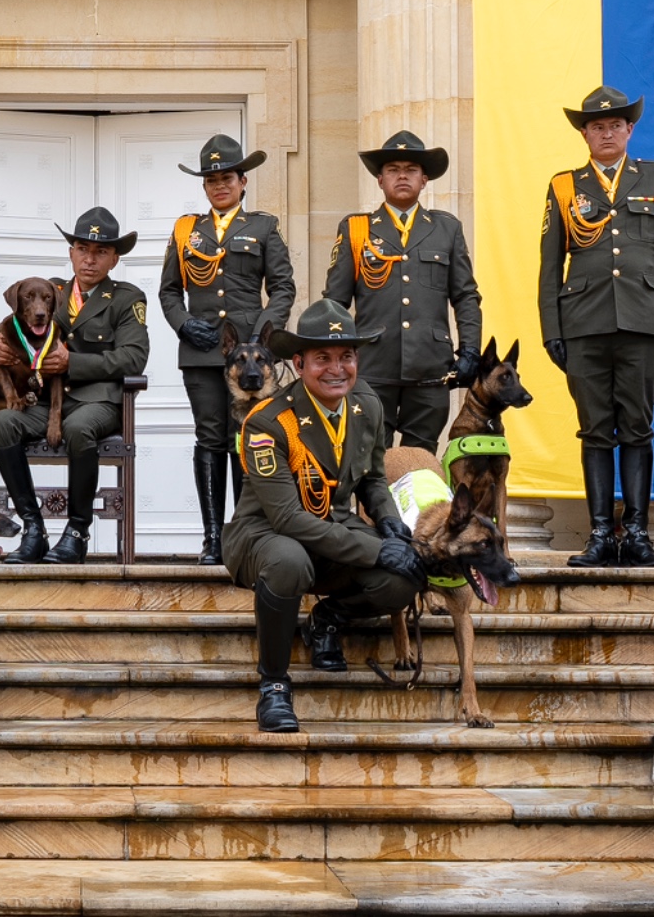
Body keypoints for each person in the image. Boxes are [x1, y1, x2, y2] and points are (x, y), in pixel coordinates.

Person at [222, 299, 424, 733]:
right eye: (323, 359)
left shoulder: (366, 405)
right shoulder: (267, 423)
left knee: (405, 577)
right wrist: (376, 547)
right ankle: (273, 686)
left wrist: (389, 523)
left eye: (346, 357)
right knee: (289, 559)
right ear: (298, 363)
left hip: (331, 527)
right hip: (264, 534)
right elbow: (288, 519)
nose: (337, 369)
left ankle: (327, 620)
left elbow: (371, 477)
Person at [537, 84, 654, 568]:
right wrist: (552, 330)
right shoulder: (564, 186)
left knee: (637, 428)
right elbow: (549, 266)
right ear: (584, 134)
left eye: (615, 124)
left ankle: (638, 536)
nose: (606, 132)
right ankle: (600, 536)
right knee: (594, 432)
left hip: (645, 323)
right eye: (597, 126)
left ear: (630, 129)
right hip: (583, 324)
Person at [156, 133, 296, 564]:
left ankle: (245, 533)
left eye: (228, 177)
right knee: (210, 439)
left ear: (243, 181)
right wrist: (184, 326)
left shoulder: (263, 227)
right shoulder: (186, 230)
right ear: (204, 186)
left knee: (249, 439)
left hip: (250, 359)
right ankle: (213, 538)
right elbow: (167, 291)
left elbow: (283, 288)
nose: (220, 185)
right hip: (201, 356)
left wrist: (260, 340)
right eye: (212, 179)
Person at [0, 208, 151, 564]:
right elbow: (4, 327)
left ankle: (77, 532)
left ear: (114, 259)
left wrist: (75, 363)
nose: (89, 259)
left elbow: (134, 358)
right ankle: (33, 529)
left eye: (100, 251)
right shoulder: (50, 291)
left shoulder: (126, 298)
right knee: (1, 423)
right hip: (44, 400)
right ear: (71, 252)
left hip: (97, 401)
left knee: (77, 428)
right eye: (81, 248)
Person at [323, 129, 482, 453]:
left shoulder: (446, 229)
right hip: (372, 367)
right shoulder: (356, 230)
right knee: (368, 461)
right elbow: (335, 303)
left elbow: (465, 295)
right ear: (379, 180)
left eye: (410, 170)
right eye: (393, 170)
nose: (402, 176)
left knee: (420, 464)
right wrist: (332, 359)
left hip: (430, 366)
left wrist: (470, 352)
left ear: (424, 179)